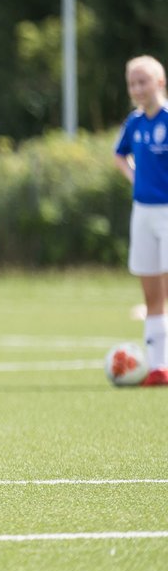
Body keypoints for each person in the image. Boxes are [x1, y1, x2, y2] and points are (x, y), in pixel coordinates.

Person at [113, 55, 168, 386]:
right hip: (142, 213)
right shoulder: (134, 122)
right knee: (151, 294)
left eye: (143, 81)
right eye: (132, 83)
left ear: (160, 83)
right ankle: (158, 367)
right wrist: (134, 178)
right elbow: (119, 154)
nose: (137, 88)